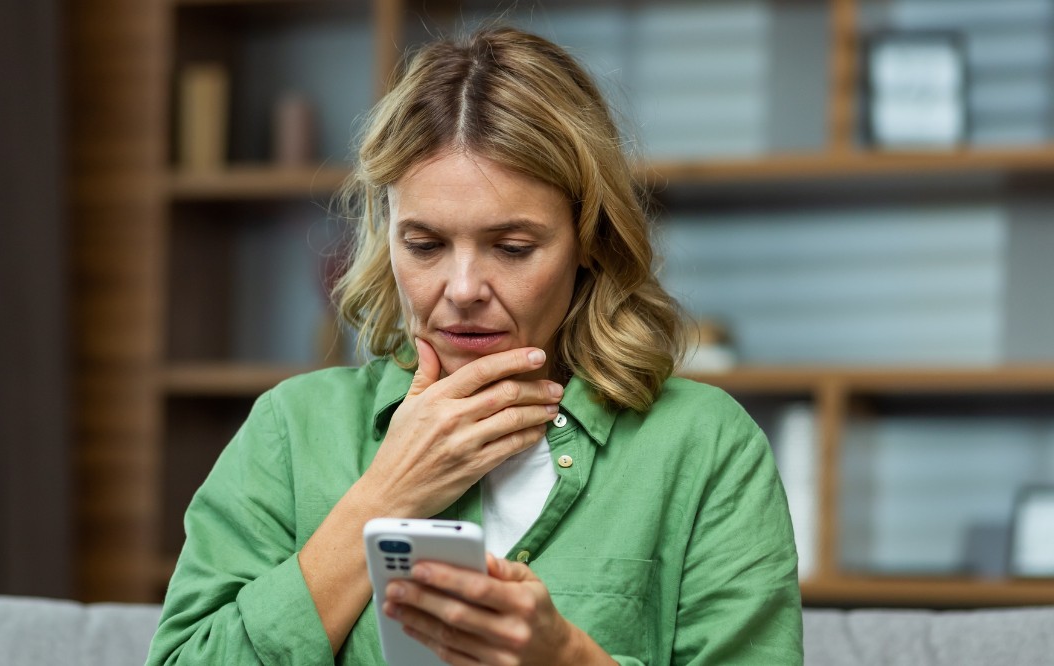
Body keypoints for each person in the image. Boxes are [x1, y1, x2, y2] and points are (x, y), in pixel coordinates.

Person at [145, 26, 802, 666]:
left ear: (590, 243)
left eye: (513, 248)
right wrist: (385, 497)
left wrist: (565, 660)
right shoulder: (293, 430)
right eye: (425, 244)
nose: (462, 289)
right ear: (387, 236)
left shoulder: (705, 447)